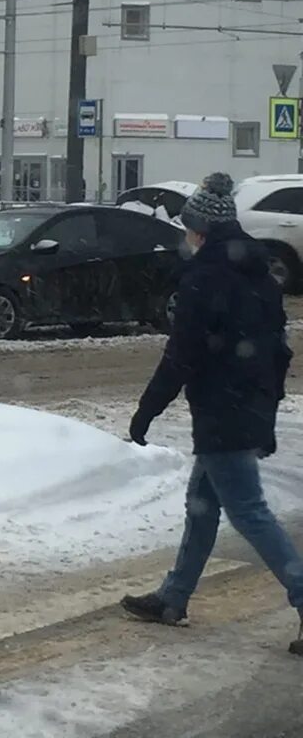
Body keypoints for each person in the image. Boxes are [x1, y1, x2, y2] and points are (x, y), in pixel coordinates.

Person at [121, 173, 302, 656]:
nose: (186, 237)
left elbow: (182, 354)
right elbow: (277, 349)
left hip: (223, 407)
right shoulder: (260, 275)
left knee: (248, 511)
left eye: (188, 229)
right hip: (245, 402)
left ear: (200, 230)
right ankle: (172, 599)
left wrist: (146, 411)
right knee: (203, 505)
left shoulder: (205, 278)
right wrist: (266, 407)